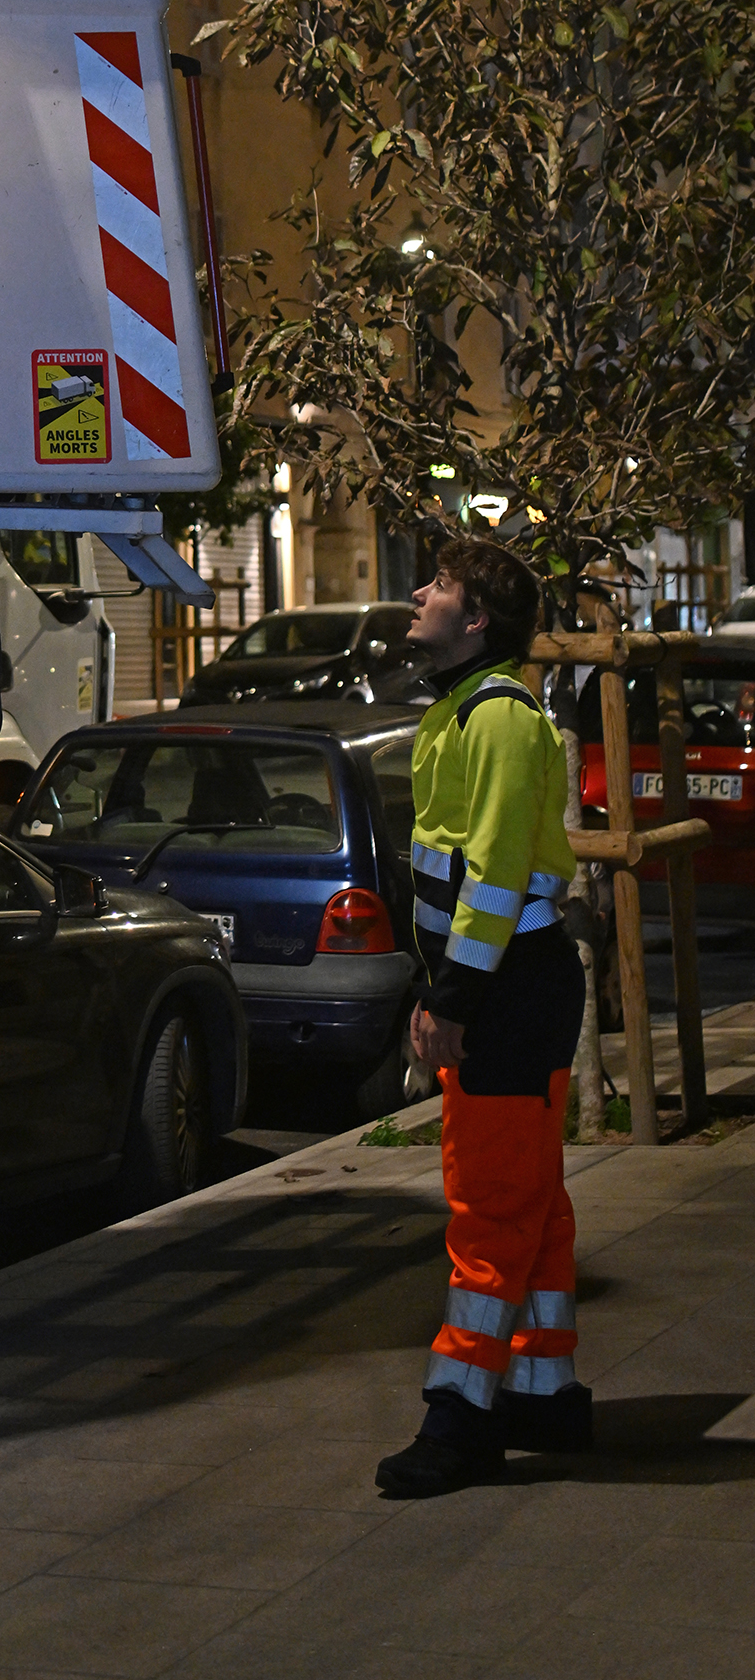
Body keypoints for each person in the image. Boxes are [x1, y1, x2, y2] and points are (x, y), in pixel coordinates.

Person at [376, 536, 588, 1499]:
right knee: (531, 1202)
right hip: (516, 982)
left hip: (505, 988)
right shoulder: (474, 710)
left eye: (441, 585)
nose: (419, 594)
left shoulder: (494, 718)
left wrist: (452, 1000)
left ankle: (460, 1418)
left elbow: (494, 876)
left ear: (477, 620)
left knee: (490, 1211)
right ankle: (543, 1394)